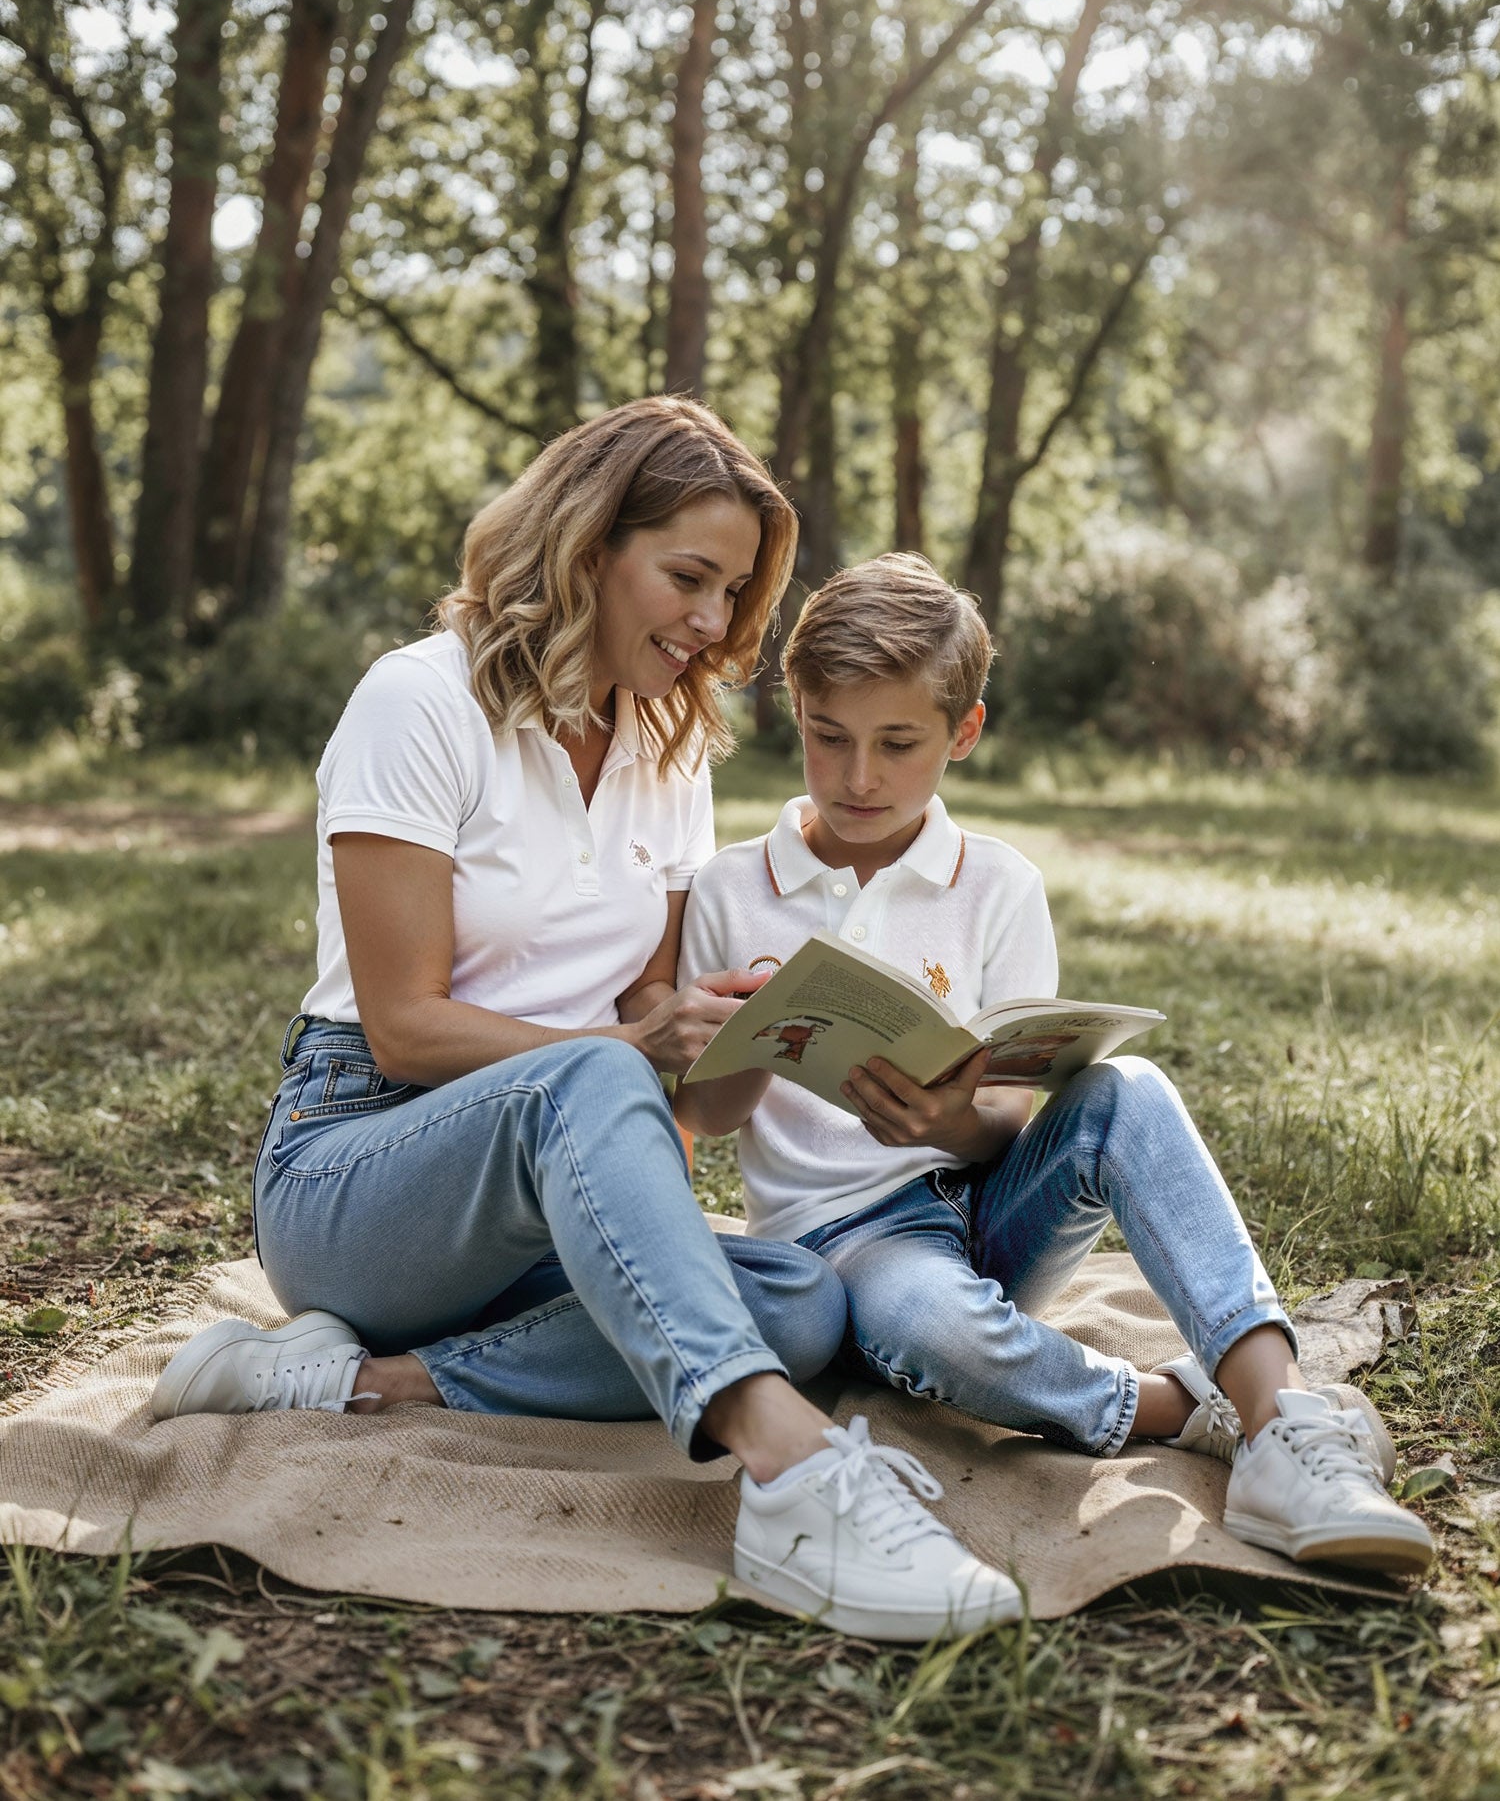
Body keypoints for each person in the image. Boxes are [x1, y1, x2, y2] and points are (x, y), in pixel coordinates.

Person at [148, 401, 1023, 1641]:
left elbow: (646, 1027)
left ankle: (357, 1380)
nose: (715, 624)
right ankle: (792, 1471)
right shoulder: (419, 702)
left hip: (557, 1174)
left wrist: (748, 1023)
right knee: (595, 1083)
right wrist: (625, 1056)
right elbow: (401, 1026)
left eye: (733, 593)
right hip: (361, 1169)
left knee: (803, 1302)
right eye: (689, 578)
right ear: (586, 544)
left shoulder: (669, 746)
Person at [676, 552, 1433, 1577]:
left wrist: (947, 1124)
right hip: (850, 1249)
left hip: (992, 1211)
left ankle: (1287, 1423)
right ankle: (1180, 1405)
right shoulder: (730, 886)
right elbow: (713, 1117)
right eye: (827, 736)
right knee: (928, 1319)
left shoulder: (998, 883)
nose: (860, 776)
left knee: (1129, 1089)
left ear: (964, 732)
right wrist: (748, 1034)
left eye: (899, 743)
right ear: (793, 712)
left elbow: (1005, 1111)